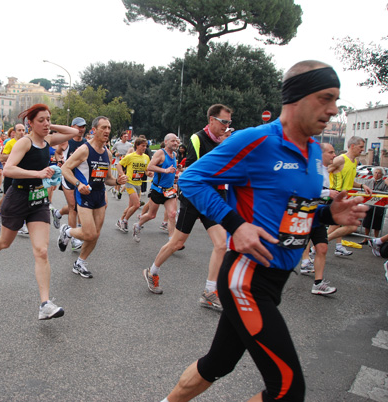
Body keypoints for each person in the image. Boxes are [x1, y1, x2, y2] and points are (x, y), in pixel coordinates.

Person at [161, 60, 368, 402]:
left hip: (275, 279)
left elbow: (294, 213)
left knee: (217, 364)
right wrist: (235, 225)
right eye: (326, 98)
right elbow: (193, 179)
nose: (333, 110)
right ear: (296, 98)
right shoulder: (256, 141)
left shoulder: (315, 150)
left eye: (336, 100)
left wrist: (330, 212)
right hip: (247, 278)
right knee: (287, 391)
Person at [0, 104, 79, 320]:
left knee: (42, 251)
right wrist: (38, 173)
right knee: (4, 243)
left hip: (39, 200)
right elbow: (8, 169)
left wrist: (51, 125)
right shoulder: (25, 142)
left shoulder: (48, 140)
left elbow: (73, 132)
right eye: (41, 120)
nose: (46, 124)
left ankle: (45, 304)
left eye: (48, 120)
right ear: (30, 123)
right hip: (18, 198)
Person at [142, 104, 232, 302]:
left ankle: (209, 292)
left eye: (229, 123)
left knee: (221, 244)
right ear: (212, 120)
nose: (226, 126)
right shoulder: (197, 138)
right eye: (223, 122)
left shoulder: (225, 140)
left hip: (214, 199)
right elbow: (196, 169)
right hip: (195, 198)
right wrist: (225, 147)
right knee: (177, 243)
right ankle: (152, 271)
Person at [59, 116, 128, 278]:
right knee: (89, 233)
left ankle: (80, 263)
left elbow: (108, 179)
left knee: (95, 234)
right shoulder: (84, 150)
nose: (107, 131)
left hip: (99, 195)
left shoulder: (108, 154)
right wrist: (78, 184)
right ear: (94, 130)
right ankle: (67, 231)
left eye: (109, 128)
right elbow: (65, 169)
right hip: (85, 195)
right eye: (103, 127)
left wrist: (118, 180)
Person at [299, 142, 338, 295]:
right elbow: (305, 190)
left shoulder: (325, 170)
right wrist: (327, 193)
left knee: (322, 248)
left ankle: (318, 283)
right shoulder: (310, 168)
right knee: (290, 251)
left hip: (318, 216)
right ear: (320, 154)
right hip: (304, 215)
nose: (334, 155)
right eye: (331, 152)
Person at [328, 136, 372, 255]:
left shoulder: (355, 162)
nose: (363, 149)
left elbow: (350, 182)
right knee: (339, 226)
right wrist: (326, 191)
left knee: (343, 225)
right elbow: (323, 172)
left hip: (344, 197)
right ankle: (314, 247)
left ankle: (336, 246)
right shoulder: (340, 159)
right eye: (361, 147)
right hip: (335, 196)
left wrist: (363, 186)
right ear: (352, 146)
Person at [133, 133, 179, 242]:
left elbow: (170, 170)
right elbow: (150, 167)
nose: (176, 143)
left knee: (172, 214)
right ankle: (138, 225)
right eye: (173, 141)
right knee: (152, 215)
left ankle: (171, 241)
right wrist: (165, 170)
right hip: (157, 189)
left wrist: (174, 175)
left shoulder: (175, 155)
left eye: (177, 141)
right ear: (166, 142)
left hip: (169, 190)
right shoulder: (160, 153)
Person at [51, 117, 88, 252]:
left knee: (78, 206)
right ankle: (74, 239)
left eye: (83, 127)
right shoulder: (66, 142)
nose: (81, 129)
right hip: (68, 177)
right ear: (72, 127)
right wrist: (59, 160)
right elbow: (58, 152)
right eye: (79, 127)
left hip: (81, 179)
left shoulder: (86, 143)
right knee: (73, 207)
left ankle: (58, 213)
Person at [115, 137, 150, 232]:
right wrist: (122, 175)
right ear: (137, 146)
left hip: (138, 184)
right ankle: (124, 221)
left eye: (146, 146)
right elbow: (118, 164)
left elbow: (146, 171)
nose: (144, 148)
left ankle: (120, 220)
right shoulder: (131, 156)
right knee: (137, 205)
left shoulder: (146, 157)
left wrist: (149, 173)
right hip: (129, 183)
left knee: (131, 206)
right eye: (143, 146)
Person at [0, 123, 26, 230]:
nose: (22, 132)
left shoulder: (28, 142)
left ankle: (22, 224)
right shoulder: (10, 143)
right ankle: (0, 212)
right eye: (19, 130)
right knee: (6, 197)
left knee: (22, 198)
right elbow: (2, 157)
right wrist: (15, 155)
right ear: (14, 132)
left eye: (23, 130)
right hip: (11, 173)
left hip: (23, 173)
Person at [360, 167, 388, 238]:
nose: (377, 174)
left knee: (377, 223)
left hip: (379, 206)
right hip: (369, 205)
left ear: (382, 175)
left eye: (379, 173)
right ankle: (366, 238)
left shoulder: (384, 183)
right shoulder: (368, 182)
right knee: (367, 222)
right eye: (376, 172)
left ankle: (375, 238)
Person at [111, 132, 132, 199]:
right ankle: (117, 191)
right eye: (125, 136)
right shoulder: (117, 143)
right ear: (121, 137)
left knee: (120, 177)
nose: (126, 138)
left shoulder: (129, 145)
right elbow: (112, 150)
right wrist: (115, 154)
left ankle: (115, 189)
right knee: (121, 175)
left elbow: (132, 152)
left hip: (125, 162)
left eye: (127, 136)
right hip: (118, 162)